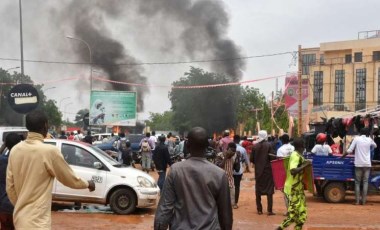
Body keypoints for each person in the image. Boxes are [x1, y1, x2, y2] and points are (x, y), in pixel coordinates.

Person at [6, 110, 95, 229]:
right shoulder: (49, 152)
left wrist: (20, 206)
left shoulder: (15, 150)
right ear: (45, 126)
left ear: (27, 127)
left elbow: (10, 187)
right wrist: (87, 184)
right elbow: (69, 179)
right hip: (38, 222)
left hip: (20, 219)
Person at [154, 127, 232, 230]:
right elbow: (225, 214)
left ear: (188, 145)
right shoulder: (219, 174)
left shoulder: (175, 171)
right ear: (207, 146)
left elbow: (165, 208)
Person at [277, 138, 311, 230]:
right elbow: (293, 171)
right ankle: (279, 228)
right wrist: (305, 165)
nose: (304, 148)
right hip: (292, 189)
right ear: (301, 146)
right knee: (293, 215)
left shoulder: (299, 155)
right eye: (303, 145)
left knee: (302, 215)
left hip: (299, 189)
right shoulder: (295, 156)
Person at [342, 127, 376, 205]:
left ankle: (357, 201)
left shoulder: (356, 139)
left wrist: (343, 155)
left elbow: (350, 150)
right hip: (367, 164)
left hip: (358, 163)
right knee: (365, 182)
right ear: (367, 133)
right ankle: (363, 202)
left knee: (357, 182)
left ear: (360, 132)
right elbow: (375, 145)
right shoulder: (369, 139)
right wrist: (370, 142)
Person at [0, 133, 22, 230]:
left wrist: (4, 145)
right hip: (20, 207)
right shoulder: (23, 162)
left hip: (3, 207)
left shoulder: (2, 161)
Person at [251, 130, 276, 215]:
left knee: (258, 190)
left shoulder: (255, 147)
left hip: (258, 171)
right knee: (269, 191)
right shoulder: (269, 145)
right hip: (268, 171)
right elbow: (273, 158)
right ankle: (269, 210)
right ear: (266, 136)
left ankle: (259, 210)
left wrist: (258, 163)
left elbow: (252, 159)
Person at [276, 133, 294, 215]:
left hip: (286, 173)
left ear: (282, 140)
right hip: (295, 171)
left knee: (286, 192)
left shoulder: (280, 149)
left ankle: (289, 211)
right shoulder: (293, 148)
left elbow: (279, 163)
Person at [215, 142, 238, 207]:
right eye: (231, 151)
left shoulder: (235, 155)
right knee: (222, 202)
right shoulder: (220, 155)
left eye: (234, 151)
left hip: (230, 180)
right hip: (221, 180)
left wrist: (238, 159)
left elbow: (237, 169)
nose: (233, 153)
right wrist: (226, 157)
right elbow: (218, 166)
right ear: (227, 149)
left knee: (231, 203)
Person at [232, 135, 250, 209]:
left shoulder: (229, 148)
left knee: (229, 186)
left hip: (229, 170)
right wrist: (247, 167)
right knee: (237, 186)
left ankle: (229, 202)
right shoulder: (242, 149)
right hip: (239, 171)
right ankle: (235, 203)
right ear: (239, 140)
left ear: (233, 140)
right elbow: (246, 160)